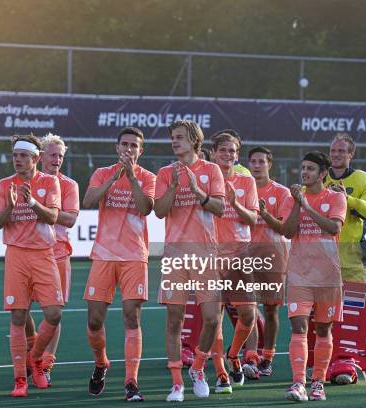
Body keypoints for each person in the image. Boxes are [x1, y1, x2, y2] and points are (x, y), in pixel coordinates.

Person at [82, 127, 155, 401]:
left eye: (134, 146)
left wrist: (132, 177)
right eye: (124, 144)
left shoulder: (148, 177)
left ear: (141, 150)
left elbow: (146, 207)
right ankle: (101, 364)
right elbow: (88, 201)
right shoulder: (102, 173)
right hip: (104, 254)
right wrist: (115, 176)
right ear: (116, 148)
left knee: (131, 318)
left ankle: (131, 382)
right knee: (94, 320)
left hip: (135, 256)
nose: (129, 149)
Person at [154, 120, 225, 402]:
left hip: (206, 255)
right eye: (173, 137)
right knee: (175, 321)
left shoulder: (211, 170)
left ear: (195, 141)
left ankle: (197, 368)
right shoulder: (164, 172)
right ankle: (176, 383)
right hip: (175, 256)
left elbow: (220, 207)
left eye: (180, 137)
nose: (175, 142)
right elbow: (159, 211)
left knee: (212, 318)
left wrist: (199, 193)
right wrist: (172, 186)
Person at [0, 134, 64, 397]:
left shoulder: (49, 182)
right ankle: (20, 379)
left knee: (54, 314)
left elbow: (54, 217)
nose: (17, 160)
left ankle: (35, 359)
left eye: (23, 156)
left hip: (44, 254)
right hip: (16, 255)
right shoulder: (3, 185)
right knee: (18, 316)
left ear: (35, 158)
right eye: (14, 155)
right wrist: (10, 207)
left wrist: (32, 201)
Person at [280, 151, 347, 402]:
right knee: (298, 326)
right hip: (299, 275)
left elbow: (333, 228)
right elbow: (287, 232)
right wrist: (298, 203)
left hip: (328, 277)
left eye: (310, 169)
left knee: (322, 329)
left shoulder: (337, 197)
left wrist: (308, 205)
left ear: (323, 174)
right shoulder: (292, 198)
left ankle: (318, 382)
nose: (304, 172)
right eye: (303, 168)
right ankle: (299, 383)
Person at [323, 133, 366, 384]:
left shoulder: (363, 179)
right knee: (323, 313)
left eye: (341, 151)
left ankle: (347, 364)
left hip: (353, 259)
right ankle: (324, 363)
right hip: (321, 260)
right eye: (333, 151)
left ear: (350, 154)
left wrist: (346, 198)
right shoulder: (319, 177)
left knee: (351, 314)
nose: (336, 155)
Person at [24, 133, 79, 386]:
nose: (57, 159)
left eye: (60, 156)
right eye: (52, 154)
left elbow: (69, 219)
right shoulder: (26, 180)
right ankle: (34, 346)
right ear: (40, 156)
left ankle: (45, 363)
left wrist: (40, 209)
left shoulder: (69, 185)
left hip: (57, 254)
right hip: (26, 252)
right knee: (21, 310)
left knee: (54, 314)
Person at [211, 132, 259, 391]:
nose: (228, 155)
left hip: (241, 254)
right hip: (211, 256)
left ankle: (233, 355)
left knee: (249, 315)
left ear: (237, 155)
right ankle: (220, 372)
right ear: (213, 153)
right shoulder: (206, 180)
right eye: (223, 150)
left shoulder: (246, 181)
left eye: (232, 151)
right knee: (214, 318)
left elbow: (252, 219)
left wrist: (235, 203)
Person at [244, 146, 292, 378]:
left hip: (273, 258)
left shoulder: (282, 193)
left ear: (269, 164)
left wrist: (264, 215)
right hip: (245, 258)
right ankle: (251, 356)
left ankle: (268, 357)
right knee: (249, 310)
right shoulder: (242, 189)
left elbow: (284, 227)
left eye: (261, 161)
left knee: (271, 311)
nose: (256, 165)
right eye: (253, 161)